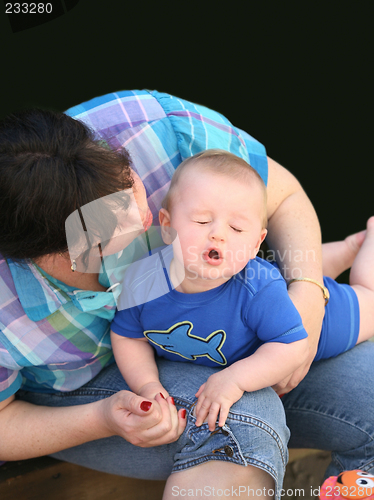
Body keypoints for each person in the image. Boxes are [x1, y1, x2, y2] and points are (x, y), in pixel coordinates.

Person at [0, 90, 373, 500]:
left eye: (130, 183)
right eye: (112, 222)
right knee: (234, 421)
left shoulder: (148, 127)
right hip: (85, 390)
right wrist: (105, 417)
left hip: (233, 335)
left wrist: (308, 291)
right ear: (56, 252)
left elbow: (282, 195)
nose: (144, 215)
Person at [110, 148, 373, 436]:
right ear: (168, 224)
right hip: (274, 296)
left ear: (256, 243)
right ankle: (348, 247)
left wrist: (235, 380)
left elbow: (294, 346)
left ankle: (363, 244)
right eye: (201, 220)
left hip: (320, 323)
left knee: (368, 296)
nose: (218, 234)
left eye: (236, 228)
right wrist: (147, 384)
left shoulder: (258, 289)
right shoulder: (143, 281)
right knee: (285, 279)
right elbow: (128, 335)